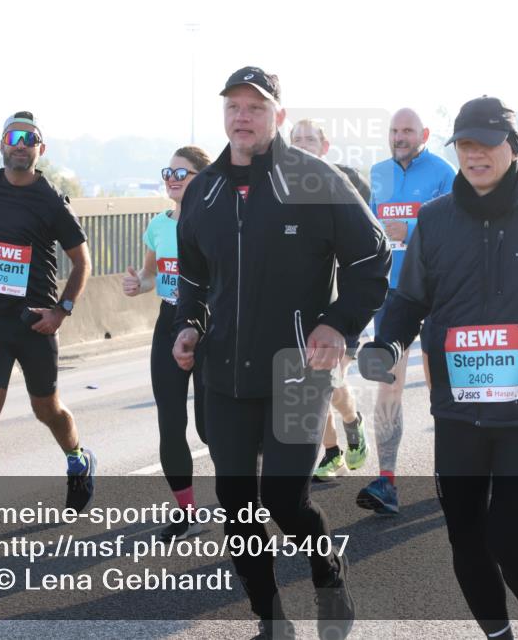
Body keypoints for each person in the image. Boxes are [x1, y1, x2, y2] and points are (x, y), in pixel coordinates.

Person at [359, 96, 518, 640]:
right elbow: (408, 300)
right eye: (467, 146)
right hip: (459, 407)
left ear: (512, 148)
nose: (476, 155)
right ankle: (497, 635)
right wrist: (387, 341)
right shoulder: (434, 221)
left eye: (487, 144)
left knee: (506, 539)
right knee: (464, 539)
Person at [173, 66, 390, 639]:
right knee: (237, 502)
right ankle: (270, 619)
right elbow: (193, 279)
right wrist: (190, 326)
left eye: (256, 107)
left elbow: (373, 261)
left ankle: (326, 570)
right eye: (234, 107)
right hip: (223, 373)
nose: (242, 117)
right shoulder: (204, 190)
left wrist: (337, 324)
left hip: (298, 369)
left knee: (285, 498)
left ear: (279, 116)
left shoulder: (315, 181)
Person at [0, 111, 95, 544]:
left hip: (35, 323)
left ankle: (78, 458)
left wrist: (61, 310)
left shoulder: (50, 200)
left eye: (30, 138)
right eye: (14, 136)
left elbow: (83, 262)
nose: (21, 143)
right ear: (2, 144)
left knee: (46, 410)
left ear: (39, 149)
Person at [362, 107, 455, 513]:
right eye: (394, 130)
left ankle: (452, 475)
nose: (399, 137)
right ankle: (387, 480)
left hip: (436, 291)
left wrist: (412, 230)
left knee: (440, 386)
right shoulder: (379, 172)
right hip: (391, 293)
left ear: (425, 134)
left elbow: (458, 224)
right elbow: (366, 224)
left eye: (407, 131)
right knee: (389, 384)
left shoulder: (443, 171)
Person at [123, 145, 212, 540]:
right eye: (168, 172)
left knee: (214, 428)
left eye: (182, 173)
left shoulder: (216, 222)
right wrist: (136, 284)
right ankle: (186, 510)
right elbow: (149, 276)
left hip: (211, 327)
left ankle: (242, 501)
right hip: (169, 321)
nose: (172, 179)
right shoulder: (159, 225)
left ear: (202, 178)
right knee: (170, 421)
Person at [289, 119, 370, 480]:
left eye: (310, 139)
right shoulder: (279, 187)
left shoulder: (347, 182)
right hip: (299, 305)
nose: (303, 146)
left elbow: (368, 247)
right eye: (296, 140)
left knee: (329, 383)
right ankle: (332, 450)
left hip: (340, 305)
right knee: (308, 385)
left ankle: (352, 421)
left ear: (325, 145)